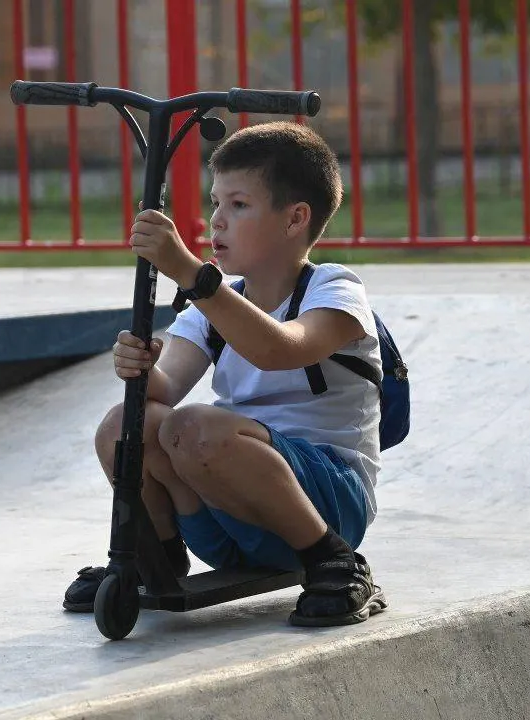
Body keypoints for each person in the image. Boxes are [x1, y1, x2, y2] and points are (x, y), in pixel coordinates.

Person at [64, 121, 386, 627]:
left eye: (238, 205)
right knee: (125, 424)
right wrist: (139, 365)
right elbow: (165, 387)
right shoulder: (214, 303)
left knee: (194, 427)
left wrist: (192, 274)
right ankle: (156, 556)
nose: (216, 222)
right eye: (216, 203)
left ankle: (336, 561)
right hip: (224, 510)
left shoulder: (334, 290)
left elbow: (279, 349)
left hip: (326, 498)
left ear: (295, 218)